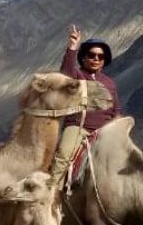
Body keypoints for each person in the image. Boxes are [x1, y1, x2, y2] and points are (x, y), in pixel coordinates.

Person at [48, 25, 122, 188]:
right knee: (63, 156)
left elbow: (116, 110)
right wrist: (72, 47)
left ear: (104, 61)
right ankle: (51, 194)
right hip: (78, 128)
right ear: (83, 58)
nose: (96, 59)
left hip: (104, 131)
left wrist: (118, 128)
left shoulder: (110, 83)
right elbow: (65, 73)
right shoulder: (76, 75)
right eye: (92, 55)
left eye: (100, 56)